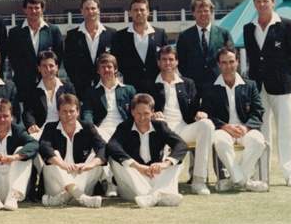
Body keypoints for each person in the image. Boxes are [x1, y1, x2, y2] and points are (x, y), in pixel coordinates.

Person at [242, 0, 291, 187]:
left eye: (265, 1)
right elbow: (253, 58)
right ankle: (261, 173)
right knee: (260, 134)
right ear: (254, 4)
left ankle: (290, 173)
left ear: (273, 2)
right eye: (258, 2)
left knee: (285, 132)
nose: (261, 5)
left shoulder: (286, 25)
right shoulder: (248, 28)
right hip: (258, 88)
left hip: (282, 86)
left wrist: (287, 77)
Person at [149, 46, 215, 195]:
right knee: (159, 126)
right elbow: (145, 108)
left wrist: (200, 114)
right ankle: (164, 185)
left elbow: (193, 110)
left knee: (207, 124)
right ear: (158, 62)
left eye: (171, 59)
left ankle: (199, 180)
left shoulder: (188, 83)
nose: (168, 63)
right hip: (162, 129)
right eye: (164, 59)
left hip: (184, 128)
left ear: (177, 62)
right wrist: (152, 114)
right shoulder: (150, 84)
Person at [201, 46, 267, 192]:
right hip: (222, 129)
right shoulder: (209, 87)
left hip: (245, 129)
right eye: (224, 62)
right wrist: (224, 126)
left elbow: (258, 112)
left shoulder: (250, 85)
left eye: (231, 61)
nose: (228, 66)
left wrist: (247, 127)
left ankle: (233, 180)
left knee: (258, 140)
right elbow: (208, 114)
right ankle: (244, 181)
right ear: (218, 64)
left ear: (237, 61)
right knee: (220, 140)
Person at [106, 94, 188, 208]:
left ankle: (155, 196)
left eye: (146, 113)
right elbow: (112, 146)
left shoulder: (160, 126)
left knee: (177, 160)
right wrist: (137, 166)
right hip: (134, 182)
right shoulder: (124, 127)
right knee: (114, 160)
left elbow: (181, 144)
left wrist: (165, 163)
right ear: (132, 111)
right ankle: (162, 195)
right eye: (138, 113)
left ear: (152, 112)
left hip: (154, 175)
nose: (142, 118)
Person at [81, 53, 136, 198]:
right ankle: (110, 182)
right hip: (101, 128)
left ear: (115, 69)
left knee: (107, 145)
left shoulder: (128, 89)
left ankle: (110, 182)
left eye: (109, 66)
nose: (106, 70)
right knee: (103, 142)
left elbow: (135, 112)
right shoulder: (91, 92)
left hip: (123, 128)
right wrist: (92, 127)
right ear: (98, 71)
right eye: (102, 67)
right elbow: (87, 112)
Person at [37, 94, 105, 208]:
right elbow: (44, 147)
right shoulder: (50, 128)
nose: (68, 115)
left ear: (78, 111)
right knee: (54, 156)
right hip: (56, 184)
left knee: (95, 158)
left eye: (71, 111)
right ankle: (81, 197)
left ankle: (65, 197)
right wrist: (62, 164)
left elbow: (102, 147)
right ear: (58, 112)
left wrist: (89, 164)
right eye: (64, 111)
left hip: (82, 180)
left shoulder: (88, 127)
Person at [8, 0, 64, 98]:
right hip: (23, 85)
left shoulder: (53, 31)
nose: (33, 11)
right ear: (24, 9)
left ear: (42, 9)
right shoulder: (14, 33)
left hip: (48, 83)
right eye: (30, 8)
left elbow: (59, 57)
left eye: (37, 7)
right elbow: (13, 58)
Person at [176, 0, 233, 96]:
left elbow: (231, 59)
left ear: (211, 12)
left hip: (219, 84)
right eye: (199, 11)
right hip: (194, 87)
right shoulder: (184, 36)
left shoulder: (224, 34)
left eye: (206, 11)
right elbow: (181, 62)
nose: (203, 14)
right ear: (193, 13)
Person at [63, 0, 117, 97]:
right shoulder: (72, 35)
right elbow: (68, 62)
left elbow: (116, 59)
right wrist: (76, 80)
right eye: (87, 9)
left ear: (98, 10)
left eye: (93, 8)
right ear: (82, 11)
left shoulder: (111, 34)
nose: (90, 11)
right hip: (81, 88)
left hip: (106, 86)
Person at [112, 0, 168, 94]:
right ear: (130, 12)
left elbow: (166, 59)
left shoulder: (160, 33)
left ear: (148, 11)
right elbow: (117, 62)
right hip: (131, 89)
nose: (139, 13)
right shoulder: (120, 36)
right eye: (135, 10)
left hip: (157, 88)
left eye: (142, 10)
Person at [23, 50, 76, 135]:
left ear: (57, 67)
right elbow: (28, 112)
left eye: (51, 66)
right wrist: (31, 125)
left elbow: (74, 109)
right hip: (40, 130)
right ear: (39, 68)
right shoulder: (32, 90)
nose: (48, 69)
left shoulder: (68, 88)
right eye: (44, 66)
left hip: (64, 129)